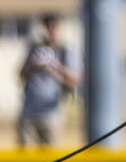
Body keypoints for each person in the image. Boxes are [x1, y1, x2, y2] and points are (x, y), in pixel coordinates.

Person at [16, 15, 79, 147]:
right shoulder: (34, 48)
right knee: (25, 156)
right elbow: (21, 74)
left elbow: (74, 80)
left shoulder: (64, 51)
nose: (50, 31)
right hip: (29, 112)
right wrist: (32, 64)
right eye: (48, 27)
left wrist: (55, 66)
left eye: (53, 28)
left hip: (51, 113)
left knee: (51, 157)